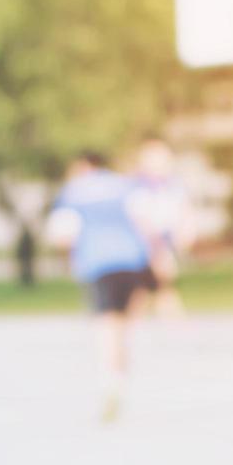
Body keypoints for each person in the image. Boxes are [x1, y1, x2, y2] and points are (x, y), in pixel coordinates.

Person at [46, 152, 155, 423]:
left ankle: (111, 385)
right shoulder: (125, 185)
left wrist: (70, 259)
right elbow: (144, 221)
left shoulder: (74, 191)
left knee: (108, 328)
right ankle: (121, 373)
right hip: (133, 260)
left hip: (100, 263)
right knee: (124, 326)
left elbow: (63, 233)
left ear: (83, 166)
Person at [133, 139, 196, 318]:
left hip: (165, 239)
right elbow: (137, 216)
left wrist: (185, 233)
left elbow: (184, 211)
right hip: (145, 242)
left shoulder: (173, 185)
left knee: (158, 285)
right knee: (155, 283)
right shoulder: (137, 186)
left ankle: (169, 316)